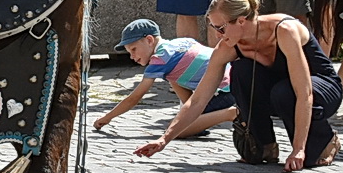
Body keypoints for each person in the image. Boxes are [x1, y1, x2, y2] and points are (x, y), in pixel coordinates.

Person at [136, 0, 343, 171]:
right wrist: (164, 139)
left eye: (221, 28)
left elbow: (304, 93)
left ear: (241, 21)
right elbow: (198, 100)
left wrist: (298, 149)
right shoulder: (228, 46)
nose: (218, 35)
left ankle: (324, 141)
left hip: (320, 87)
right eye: (213, 28)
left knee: (285, 95)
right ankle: (264, 146)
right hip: (280, 91)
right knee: (241, 71)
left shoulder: (284, 30)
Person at [95, 19, 238, 135]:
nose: (132, 57)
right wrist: (186, 113)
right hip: (234, 82)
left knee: (176, 130)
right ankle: (196, 123)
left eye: (134, 49)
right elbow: (184, 89)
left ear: (149, 40)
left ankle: (231, 113)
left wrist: (107, 118)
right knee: (172, 78)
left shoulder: (160, 59)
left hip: (223, 91)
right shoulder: (179, 43)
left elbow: (135, 97)